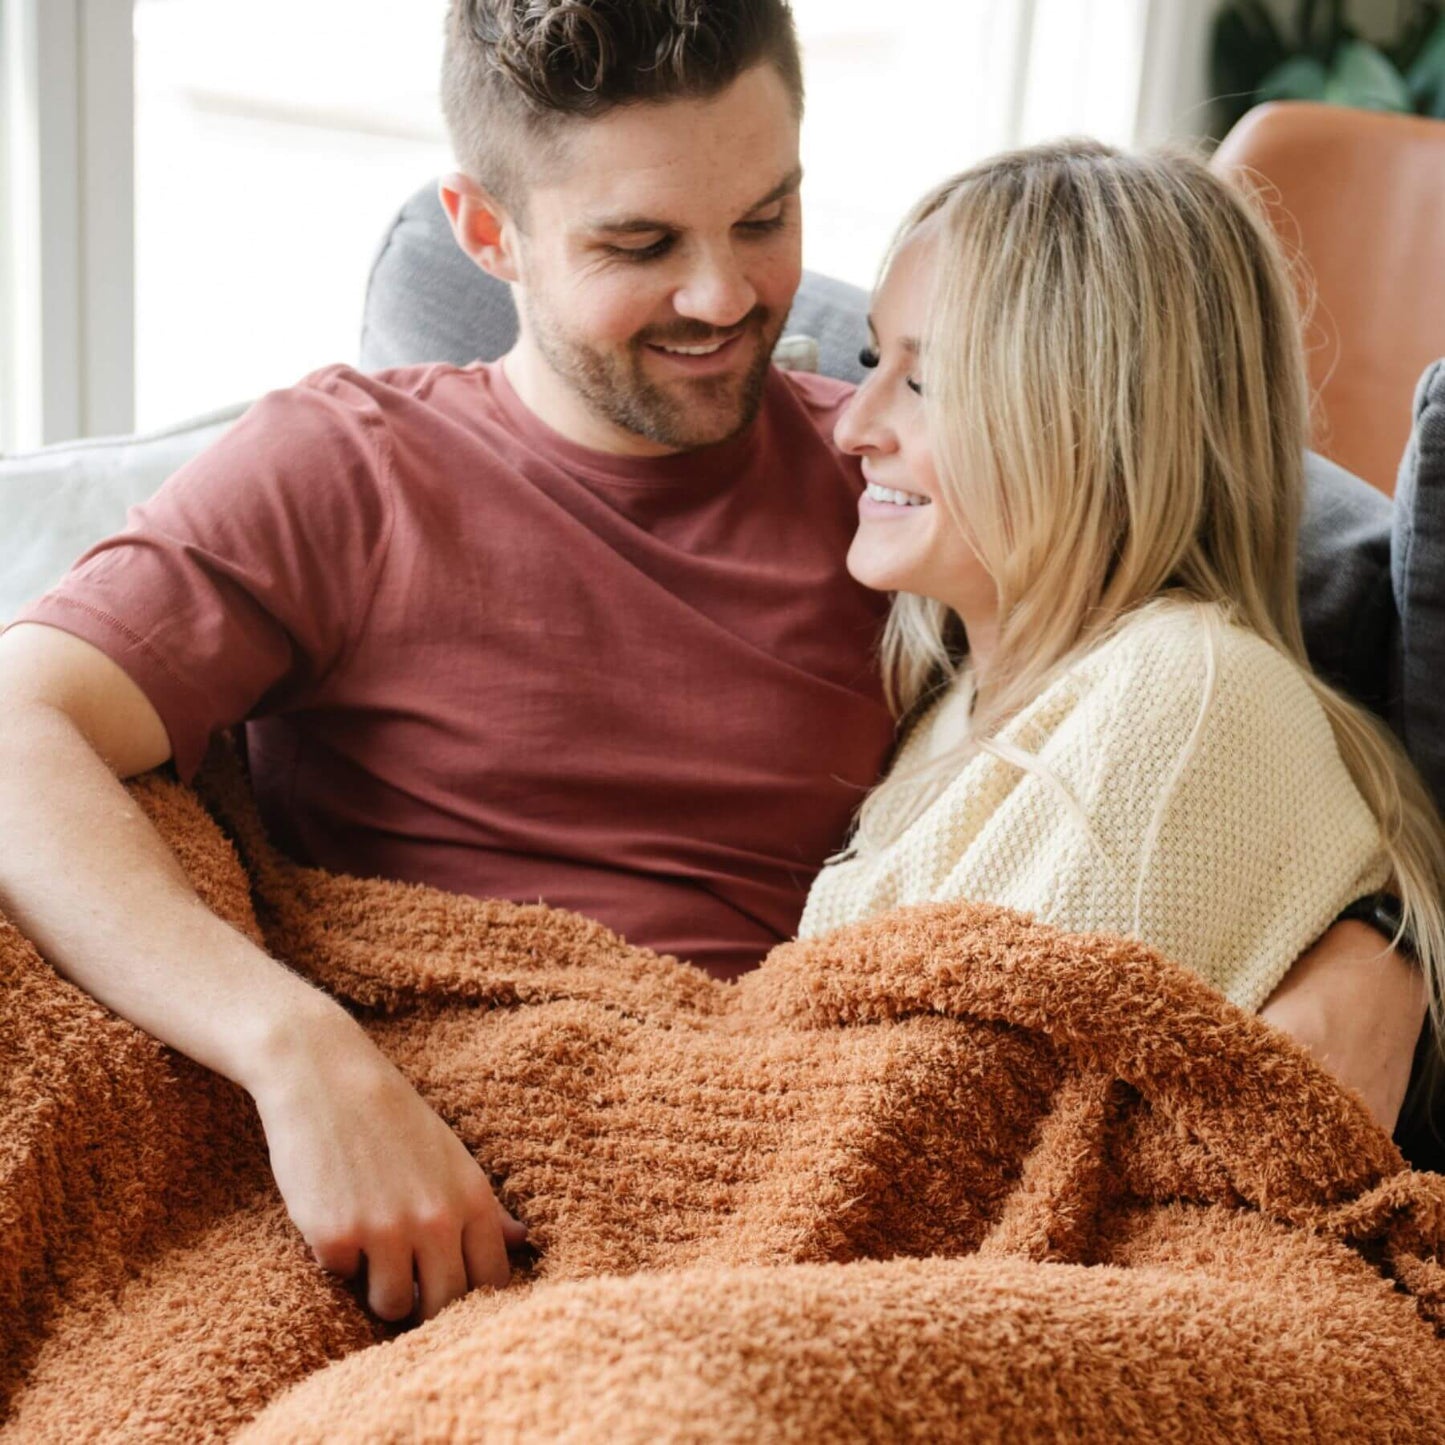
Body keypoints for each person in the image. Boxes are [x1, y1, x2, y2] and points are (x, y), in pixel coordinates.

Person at [0, 2, 1423, 1326]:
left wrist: (1390, 941)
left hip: (743, 1207)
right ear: (484, 230)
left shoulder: (921, 503)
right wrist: (293, 1052)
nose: (726, 297)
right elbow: (20, 732)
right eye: (637, 246)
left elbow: (1195, 671)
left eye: (766, 216)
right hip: (403, 1176)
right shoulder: (342, 467)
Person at [797, 141, 1445, 1046]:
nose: (853, 424)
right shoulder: (955, 715)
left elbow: (955, 1115)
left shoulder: (1183, 698)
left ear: (1097, 424)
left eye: (924, 381)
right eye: (871, 359)